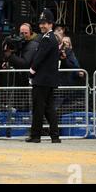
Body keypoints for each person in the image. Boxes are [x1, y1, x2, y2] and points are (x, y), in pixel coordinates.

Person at [27, 9, 61, 144]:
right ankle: (55, 136)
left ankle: (36, 136)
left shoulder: (47, 39)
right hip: (48, 80)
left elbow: (39, 58)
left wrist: (31, 71)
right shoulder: (51, 38)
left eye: (44, 23)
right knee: (48, 109)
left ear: (51, 24)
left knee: (39, 108)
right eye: (41, 23)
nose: (42, 26)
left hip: (42, 80)